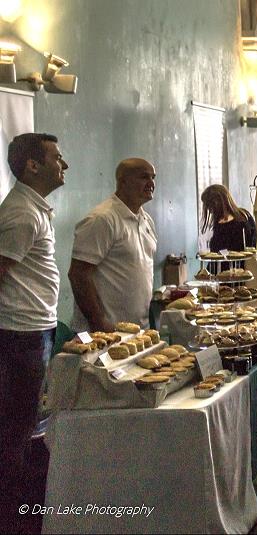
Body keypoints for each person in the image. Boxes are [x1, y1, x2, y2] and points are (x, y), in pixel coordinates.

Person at [0, 133, 67, 531]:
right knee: (16, 432)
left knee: (25, 429)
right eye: (57, 158)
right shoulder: (22, 213)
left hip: (34, 330)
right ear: (32, 166)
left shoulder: (33, 208)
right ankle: (14, 518)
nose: (65, 164)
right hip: (19, 335)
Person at [69, 158, 157, 333]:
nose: (151, 183)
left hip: (137, 331)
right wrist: (99, 322)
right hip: (104, 332)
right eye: (144, 177)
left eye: (153, 177)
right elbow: (78, 275)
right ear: (123, 181)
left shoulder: (146, 220)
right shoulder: (103, 219)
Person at [200, 184, 257, 252]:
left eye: (210, 205)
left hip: (242, 262)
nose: (209, 210)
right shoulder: (217, 224)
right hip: (220, 262)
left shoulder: (245, 217)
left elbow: (253, 245)